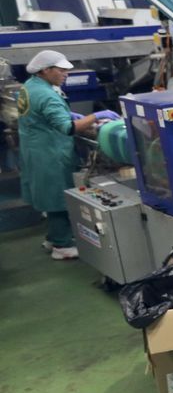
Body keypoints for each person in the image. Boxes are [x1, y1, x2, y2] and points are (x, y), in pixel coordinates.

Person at [18, 50, 113, 260]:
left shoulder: (31, 86)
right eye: (61, 70)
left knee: (46, 193)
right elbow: (68, 128)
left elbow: (38, 112)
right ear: (45, 70)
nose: (66, 74)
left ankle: (53, 237)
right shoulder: (46, 94)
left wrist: (66, 112)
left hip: (35, 149)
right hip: (50, 152)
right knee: (57, 196)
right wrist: (96, 116)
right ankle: (61, 246)